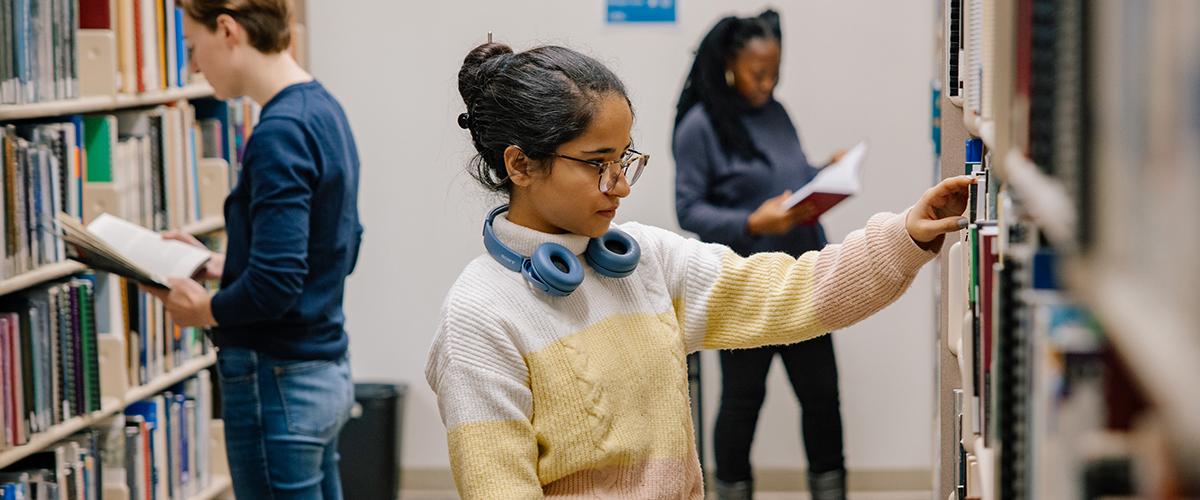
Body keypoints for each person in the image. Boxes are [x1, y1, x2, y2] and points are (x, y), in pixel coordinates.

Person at [426, 40, 971, 499]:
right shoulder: (479, 318)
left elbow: (790, 292)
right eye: (597, 164)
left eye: (625, 159)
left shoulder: (645, 260)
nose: (620, 186)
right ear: (521, 164)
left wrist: (904, 236)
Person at [146, 1, 363, 498]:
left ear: (227, 30)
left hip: (277, 381)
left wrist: (203, 310)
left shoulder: (278, 133)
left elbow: (276, 284)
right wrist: (225, 264)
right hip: (325, 369)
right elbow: (340, 246)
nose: (194, 65)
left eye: (193, 46)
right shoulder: (323, 109)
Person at [672, 10, 846, 499]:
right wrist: (753, 222)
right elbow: (688, 209)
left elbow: (786, 176)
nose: (768, 84)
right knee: (742, 401)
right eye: (758, 73)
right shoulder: (700, 127)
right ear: (730, 64)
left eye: (776, 72)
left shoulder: (777, 113)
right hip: (743, 286)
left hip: (805, 276)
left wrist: (822, 176)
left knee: (822, 398)